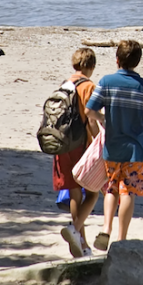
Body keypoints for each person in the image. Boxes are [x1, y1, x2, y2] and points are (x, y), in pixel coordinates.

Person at [85, 40, 143, 250]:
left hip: (113, 146)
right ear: (137, 62)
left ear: (117, 59)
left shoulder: (106, 81)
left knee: (111, 188)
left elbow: (89, 111)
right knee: (127, 191)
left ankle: (106, 228)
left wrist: (104, 118)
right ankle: (122, 239)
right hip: (136, 150)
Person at [55, 48, 101, 258]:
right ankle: (75, 231)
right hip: (80, 145)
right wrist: (98, 139)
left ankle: (81, 243)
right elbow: (90, 118)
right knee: (92, 192)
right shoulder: (89, 86)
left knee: (74, 193)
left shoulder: (65, 83)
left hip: (61, 142)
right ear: (90, 66)